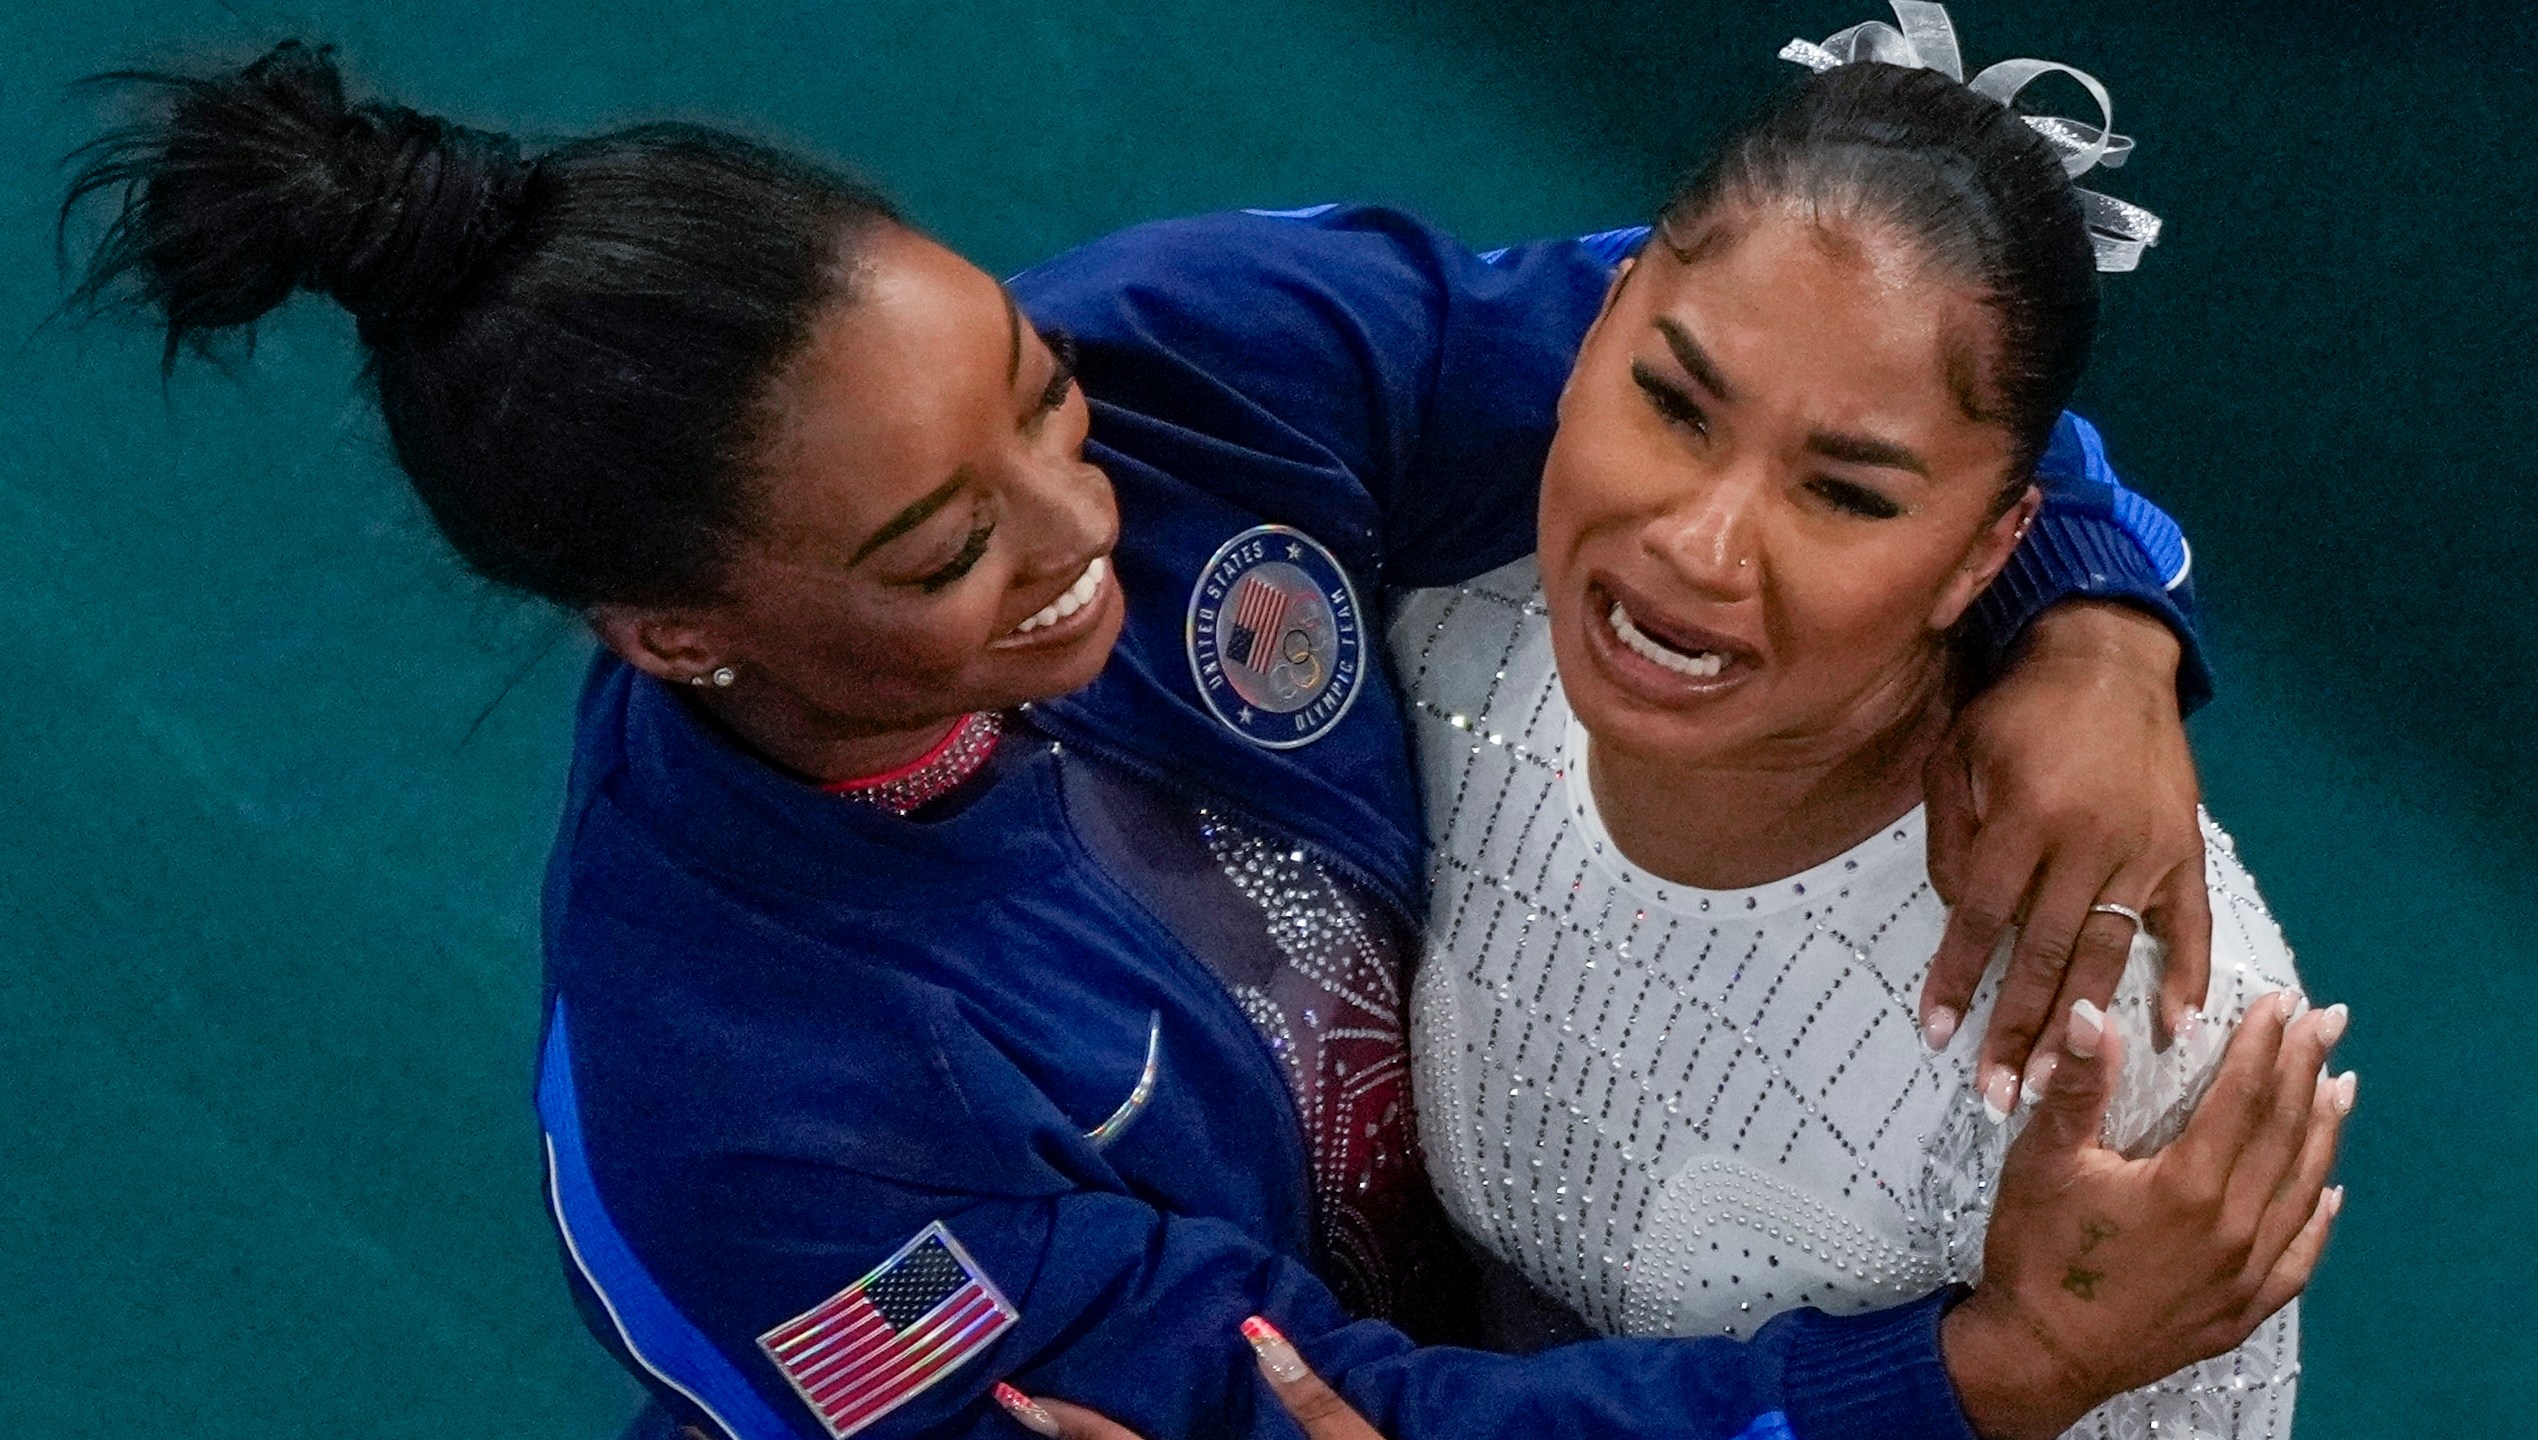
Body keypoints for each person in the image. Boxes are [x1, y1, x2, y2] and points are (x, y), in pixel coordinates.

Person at [59, 32, 2339, 1440]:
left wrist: (2097, 610)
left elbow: (1774, 328)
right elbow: (1349, 1425)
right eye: (945, 552)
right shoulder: (755, 1130)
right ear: (675, 631)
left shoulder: (1181, 356)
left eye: (1033, 399)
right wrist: (1975, 1384)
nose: (1084, 525)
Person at [1390, 17, 2347, 1440]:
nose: (1699, 547)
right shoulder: (1434, 618)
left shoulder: (2114, 997)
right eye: (1671, 404)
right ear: (1592, 329)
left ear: (1987, 552)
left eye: (1844, 494)